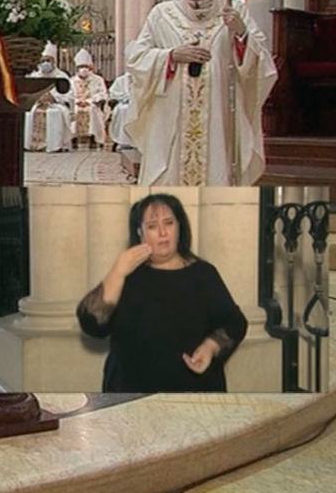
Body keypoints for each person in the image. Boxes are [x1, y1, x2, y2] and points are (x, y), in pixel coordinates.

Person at [126, 0, 277, 186]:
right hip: (170, 118)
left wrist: (241, 34)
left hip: (218, 118)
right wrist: (171, 56)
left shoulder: (234, 11)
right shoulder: (162, 14)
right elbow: (136, 58)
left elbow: (261, 65)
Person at [76, 193, 248, 392]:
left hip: (193, 390)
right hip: (130, 392)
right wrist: (118, 271)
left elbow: (235, 323)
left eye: (169, 223)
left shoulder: (203, 274)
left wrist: (211, 346)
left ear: (179, 227)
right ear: (139, 233)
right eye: (152, 226)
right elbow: (91, 324)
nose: (163, 232)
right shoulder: (127, 276)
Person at [23, 42, 72, 152]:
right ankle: (29, 145)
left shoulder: (61, 76)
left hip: (55, 105)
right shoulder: (34, 76)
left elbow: (69, 94)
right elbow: (27, 92)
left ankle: (55, 146)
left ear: (54, 62)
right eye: (43, 60)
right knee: (28, 114)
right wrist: (37, 97)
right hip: (36, 104)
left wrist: (53, 97)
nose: (46, 63)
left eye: (48, 60)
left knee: (54, 113)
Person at [70, 49, 108, 150]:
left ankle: (94, 138)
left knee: (93, 111)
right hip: (75, 104)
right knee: (74, 111)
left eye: (86, 66)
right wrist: (78, 101)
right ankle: (73, 138)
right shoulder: (72, 81)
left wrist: (88, 101)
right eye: (81, 67)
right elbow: (68, 95)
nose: (84, 69)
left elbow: (102, 93)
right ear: (77, 68)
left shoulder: (97, 80)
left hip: (92, 104)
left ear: (90, 67)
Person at [107, 72, 135, 150]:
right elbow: (114, 93)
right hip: (124, 103)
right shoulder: (121, 80)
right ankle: (123, 140)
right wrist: (127, 98)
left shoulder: (144, 77)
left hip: (140, 104)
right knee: (123, 110)